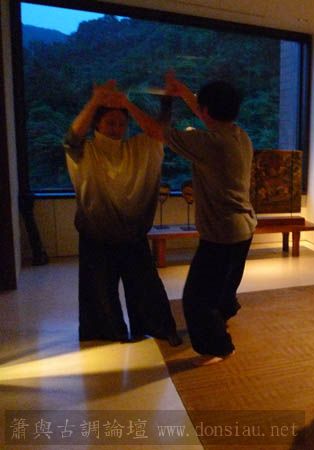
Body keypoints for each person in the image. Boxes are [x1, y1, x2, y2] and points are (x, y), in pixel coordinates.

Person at [123, 72, 256, 366]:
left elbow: (156, 131)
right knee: (223, 286)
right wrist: (183, 91)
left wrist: (126, 104)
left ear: (206, 111)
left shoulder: (209, 143)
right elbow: (206, 112)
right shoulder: (238, 135)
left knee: (197, 297)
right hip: (243, 228)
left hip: (221, 233)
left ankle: (218, 347)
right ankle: (223, 316)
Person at [64, 80, 181, 346]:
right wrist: (95, 101)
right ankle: (107, 332)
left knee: (146, 286)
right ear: (97, 125)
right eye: (110, 123)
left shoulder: (137, 147)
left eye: (120, 123)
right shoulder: (86, 151)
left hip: (133, 233)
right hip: (96, 234)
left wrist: (126, 104)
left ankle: (157, 327)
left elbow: (158, 132)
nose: (116, 128)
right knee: (99, 290)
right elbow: (71, 138)